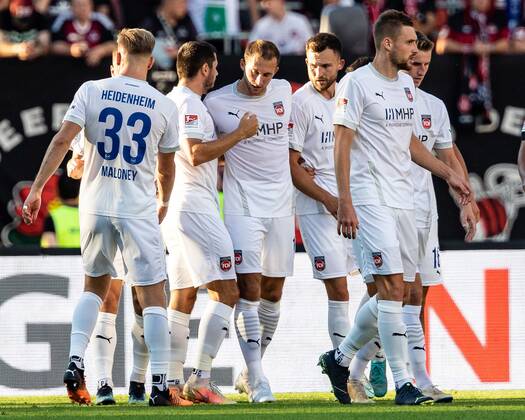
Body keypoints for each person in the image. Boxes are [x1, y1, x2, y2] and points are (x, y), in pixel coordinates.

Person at [318, 10, 471, 406]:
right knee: (390, 286)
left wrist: (446, 173)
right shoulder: (355, 83)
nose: (412, 49)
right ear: (387, 43)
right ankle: (405, 383)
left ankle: (340, 358)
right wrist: (345, 202)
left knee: (399, 289)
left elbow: (409, 143)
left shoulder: (404, 85)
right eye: (407, 43)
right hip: (369, 198)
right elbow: (341, 142)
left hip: (403, 197)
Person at [22, 28, 179, 406]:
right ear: (151, 62)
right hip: (137, 208)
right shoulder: (163, 104)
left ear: (117, 57)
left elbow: (62, 142)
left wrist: (38, 188)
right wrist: (164, 201)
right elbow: (166, 168)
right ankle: (159, 384)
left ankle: (76, 362)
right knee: (153, 294)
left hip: (94, 206)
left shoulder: (92, 90)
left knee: (94, 287)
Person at [161, 40, 258, 405]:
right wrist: (239, 135)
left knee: (183, 296)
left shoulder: (172, 101)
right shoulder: (188, 104)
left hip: (178, 205)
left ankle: (170, 382)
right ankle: (200, 377)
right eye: (214, 67)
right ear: (205, 69)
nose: (217, 74)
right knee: (227, 291)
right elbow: (194, 152)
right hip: (196, 208)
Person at [204, 40, 294, 403]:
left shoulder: (285, 91)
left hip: (281, 206)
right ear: (243, 63)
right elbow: (200, 150)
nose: (261, 80)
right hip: (242, 205)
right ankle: (259, 380)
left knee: (273, 292)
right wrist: (237, 134)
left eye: (269, 74)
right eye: (255, 71)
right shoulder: (217, 103)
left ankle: (248, 372)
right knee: (250, 290)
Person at [289, 33, 360, 350]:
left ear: (341, 65)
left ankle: (369, 360)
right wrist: (331, 200)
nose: (319, 73)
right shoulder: (300, 104)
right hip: (318, 208)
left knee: (378, 287)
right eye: (313, 66)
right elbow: (293, 167)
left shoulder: (352, 96)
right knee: (339, 290)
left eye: (326, 66)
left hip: (354, 204)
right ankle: (345, 373)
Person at [50, 0, 115, 67]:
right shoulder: (63, 21)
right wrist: (71, 49)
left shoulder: (101, 21)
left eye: (85, 5)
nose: (82, 8)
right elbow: (54, 45)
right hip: (69, 68)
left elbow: (114, 43)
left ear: (91, 6)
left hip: (98, 69)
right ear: (71, 7)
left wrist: (100, 50)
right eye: (78, 5)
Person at [141, 0, 198, 70]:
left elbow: (197, 48)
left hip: (181, 74)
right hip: (155, 74)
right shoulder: (150, 23)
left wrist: (181, 52)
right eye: (182, 2)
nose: (185, 6)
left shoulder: (187, 21)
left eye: (186, 2)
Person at [248, 0, 313, 55]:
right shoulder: (261, 25)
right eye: (265, 2)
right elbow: (251, 49)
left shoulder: (299, 20)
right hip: (270, 63)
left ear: (281, 1)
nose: (266, 6)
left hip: (297, 61)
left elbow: (310, 45)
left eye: (270, 2)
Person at [41, 172, 81, 248]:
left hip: (63, 259)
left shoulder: (52, 217)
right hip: (88, 259)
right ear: (81, 190)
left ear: (57, 191)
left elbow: (49, 248)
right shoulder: (91, 215)